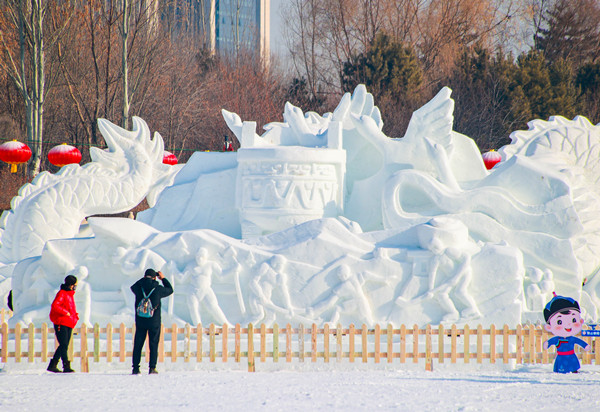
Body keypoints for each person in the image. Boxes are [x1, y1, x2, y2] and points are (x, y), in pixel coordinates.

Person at [130, 268, 173, 375]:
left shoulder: (139, 287)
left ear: (144, 276)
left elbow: (133, 286)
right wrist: (162, 278)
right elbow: (170, 289)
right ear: (155, 277)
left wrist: (145, 279)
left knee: (138, 345)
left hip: (141, 321)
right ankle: (152, 368)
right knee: (153, 345)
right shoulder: (158, 288)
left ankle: (136, 368)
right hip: (154, 322)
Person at [543, 294, 591, 373]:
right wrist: (547, 344)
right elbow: (551, 341)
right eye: (560, 322)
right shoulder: (557, 339)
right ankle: (561, 370)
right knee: (561, 368)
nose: (568, 324)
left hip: (571, 356)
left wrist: (585, 346)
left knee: (573, 366)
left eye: (573, 320)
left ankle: (574, 370)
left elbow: (578, 341)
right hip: (561, 356)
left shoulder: (571, 338)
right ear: (549, 327)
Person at [47, 275, 79, 373]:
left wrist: (75, 316)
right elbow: (55, 305)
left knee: (64, 345)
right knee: (64, 344)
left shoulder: (69, 294)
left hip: (68, 322)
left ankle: (53, 365)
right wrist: (65, 312)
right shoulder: (62, 293)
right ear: (71, 285)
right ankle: (66, 366)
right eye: (75, 285)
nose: (75, 287)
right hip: (61, 322)